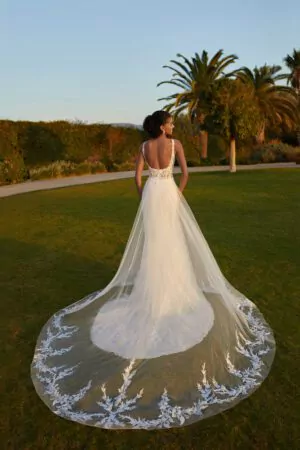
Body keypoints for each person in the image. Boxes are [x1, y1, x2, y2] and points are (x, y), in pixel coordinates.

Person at [31, 110, 276, 430]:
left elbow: (136, 178)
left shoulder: (145, 148)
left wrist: (145, 197)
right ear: (163, 126)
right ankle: (173, 295)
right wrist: (176, 194)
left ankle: (154, 294)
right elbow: (185, 174)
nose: (173, 125)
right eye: (171, 122)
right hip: (169, 194)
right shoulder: (175, 145)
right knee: (172, 246)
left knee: (154, 247)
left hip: (151, 194)